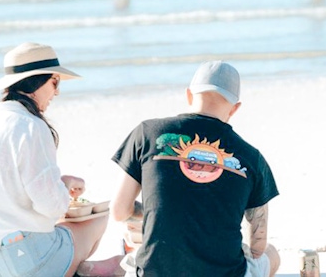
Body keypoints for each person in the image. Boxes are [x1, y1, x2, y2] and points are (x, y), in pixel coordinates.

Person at [0, 42, 124, 277]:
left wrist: (60, 182)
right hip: (17, 261)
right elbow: (52, 206)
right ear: (39, 81)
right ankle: (87, 270)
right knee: (97, 220)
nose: (57, 92)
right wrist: (61, 190)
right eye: (55, 82)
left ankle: (83, 271)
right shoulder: (30, 126)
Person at [110, 60, 280, 276]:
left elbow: (119, 211)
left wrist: (161, 215)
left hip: (156, 272)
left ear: (189, 95)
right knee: (272, 254)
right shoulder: (252, 158)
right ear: (235, 108)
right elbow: (258, 246)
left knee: (139, 235)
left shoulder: (148, 133)